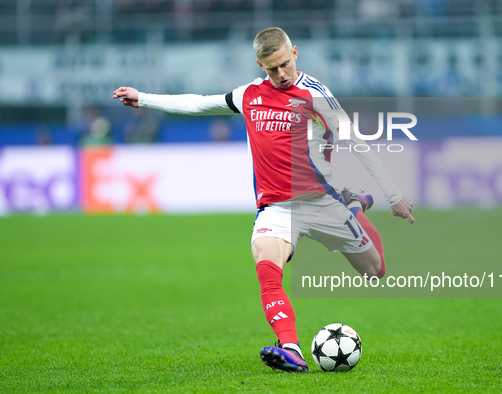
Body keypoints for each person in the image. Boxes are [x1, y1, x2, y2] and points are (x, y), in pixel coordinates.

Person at [113, 27, 414, 373]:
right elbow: (198, 102)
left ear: (295, 53)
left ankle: (354, 206)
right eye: (272, 69)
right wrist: (144, 98)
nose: (281, 74)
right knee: (267, 269)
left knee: (374, 271)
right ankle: (291, 348)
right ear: (260, 64)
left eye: (285, 64)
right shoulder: (248, 95)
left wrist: (394, 195)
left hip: (322, 203)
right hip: (277, 208)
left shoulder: (318, 96)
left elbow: (356, 142)